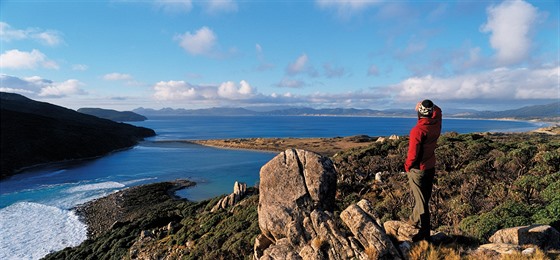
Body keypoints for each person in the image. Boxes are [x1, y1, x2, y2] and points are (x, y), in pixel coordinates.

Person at [404, 99, 442, 242]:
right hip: (430, 166)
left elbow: (413, 155)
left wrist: (407, 166)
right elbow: (439, 112)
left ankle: (425, 233)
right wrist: (427, 104)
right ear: (432, 112)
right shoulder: (436, 124)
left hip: (418, 169)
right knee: (424, 197)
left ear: (419, 113)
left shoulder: (417, 131)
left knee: (421, 202)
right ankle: (413, 221)